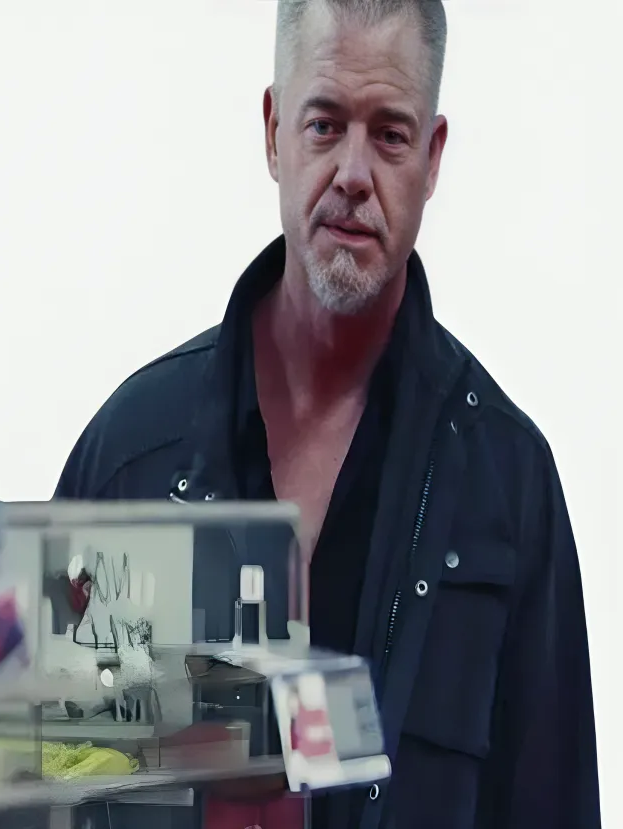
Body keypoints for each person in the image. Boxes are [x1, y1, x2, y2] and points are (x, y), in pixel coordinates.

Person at [55, 1, 601, 827]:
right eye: (324, 124)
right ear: (274, 132)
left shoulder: (509, 484)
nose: (352, 171)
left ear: (432, 157)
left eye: (389, 134)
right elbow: (34, 792)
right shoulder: (131, 453)